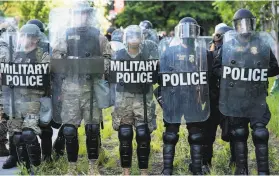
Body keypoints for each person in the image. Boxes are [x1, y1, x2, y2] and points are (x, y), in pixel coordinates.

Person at [213, 9, 279, 174]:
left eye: (247, 23)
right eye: (241, 24)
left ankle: (263, 171)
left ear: (253, 23)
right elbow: (215, 68)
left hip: (256, 95)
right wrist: (232, 73)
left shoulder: (261, 44)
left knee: (260, 133)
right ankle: (242, 171)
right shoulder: (228, 45)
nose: (245, 27)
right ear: (235, 26)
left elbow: (274, 67)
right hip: (236, 96)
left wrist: (258, 69)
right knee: (239, 133)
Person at [50, 2, 111, 174]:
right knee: (69, 130)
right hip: (70, 90)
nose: (81, 17)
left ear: (88, 15)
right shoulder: (65, 35)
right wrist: (70, 64)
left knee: (92, 130)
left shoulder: (98, 36)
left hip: (91, 90)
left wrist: (93, 66)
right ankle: (72, 167)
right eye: (77, 14)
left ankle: (93, 166)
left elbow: (109, 60)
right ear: (73, 15)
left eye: (84, 14)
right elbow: (56, 60)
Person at [158, 17, 210, 175]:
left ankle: (196, 168)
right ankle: (167, 169)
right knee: (170, 135)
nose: (188, 35)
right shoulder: (169, 52)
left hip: (192, 97)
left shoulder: (202, 53)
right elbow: (159, 76)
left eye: (191, 30)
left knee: (196, 135)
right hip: (174, 97)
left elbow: (208, 76)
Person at [2, 24, 50, 172]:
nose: (22, 38)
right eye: (21, 36)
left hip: (33, 100)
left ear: (35, 39)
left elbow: (47, 75)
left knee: (28, 133)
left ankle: (35, 167)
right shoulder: (15, 55)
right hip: (16, 101)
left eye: (25, 36)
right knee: (16, 136)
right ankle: (25, 166)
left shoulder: (42, 55)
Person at [111, 25, 158, 175]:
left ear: (141, 38)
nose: (134, 40)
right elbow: (110, 76)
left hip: (142, 99)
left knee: (143, 135)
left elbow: (155, 75)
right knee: (125, 135)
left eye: (137, 36)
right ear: (126, 38)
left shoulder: (147, 55)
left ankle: (144, 171)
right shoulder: (118, 55)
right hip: (123, 99)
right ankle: (126, 171)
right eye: (131, 36)